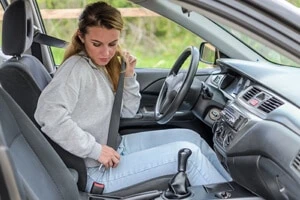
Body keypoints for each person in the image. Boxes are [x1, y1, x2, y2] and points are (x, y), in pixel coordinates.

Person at [34, 1, 231, 193]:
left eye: (112, 43)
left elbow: (127, 111)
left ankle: (232, 189)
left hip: (116, 146)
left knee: (192, 139)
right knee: (188, 156)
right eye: (97, 44)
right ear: (81, 36)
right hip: (95, 170)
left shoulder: (99, 66)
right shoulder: (75, 69)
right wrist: (95, 150)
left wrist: (128, 77)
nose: (106, 52)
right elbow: (48, 114)